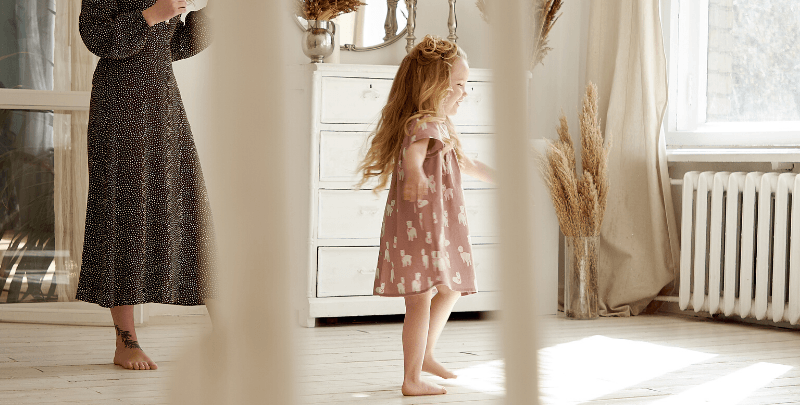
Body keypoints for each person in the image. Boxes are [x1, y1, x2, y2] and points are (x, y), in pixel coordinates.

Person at [76, 0, 217, 371]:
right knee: (124, 216)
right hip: (119, 105)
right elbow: (99, 38)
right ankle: (126, 342)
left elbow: (176, 45)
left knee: (190, 213)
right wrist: (153, 13)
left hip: (163, 104)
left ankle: (229, 335)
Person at [358, 35, 495, 396]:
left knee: (451, 288)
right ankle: (412, 379)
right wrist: (416, 173)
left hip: (439, 225)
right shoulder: (424, 124)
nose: (464, 93)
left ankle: (427, 355)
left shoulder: (439, 125)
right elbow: (413, 157)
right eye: (459, 86)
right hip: (422, 225)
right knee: (420, 299)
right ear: (435, 86)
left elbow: (465, 163)